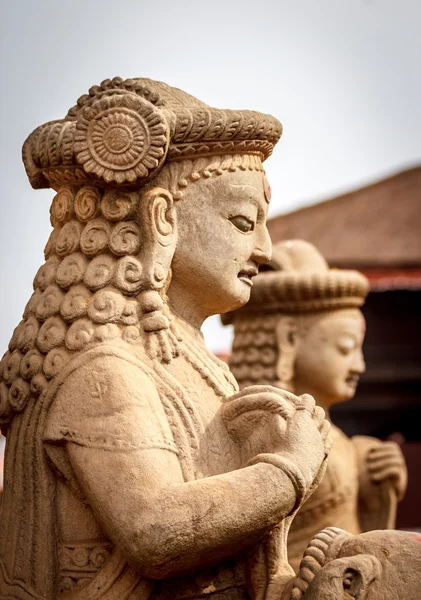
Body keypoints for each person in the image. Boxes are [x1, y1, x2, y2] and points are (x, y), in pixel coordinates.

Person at [0, 78, 330, 600]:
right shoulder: (104, 371)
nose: (263, 248)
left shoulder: (201, 368)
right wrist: (287, 471)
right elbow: (154, 531)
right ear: (162, 217)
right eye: (243, 222)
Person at [225, 240, 407, 572]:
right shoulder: (267, 424)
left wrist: (373, 479)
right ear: (289, 340)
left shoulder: (335, 435)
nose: (359, 365)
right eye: (345, 348)